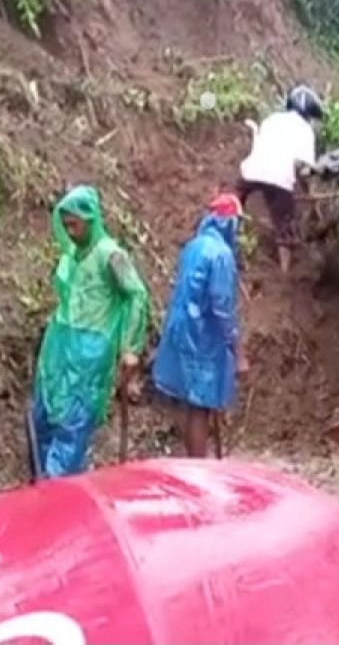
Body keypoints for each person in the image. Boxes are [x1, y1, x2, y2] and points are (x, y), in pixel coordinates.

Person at [31, 185, 149, 478]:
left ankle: (56, 495)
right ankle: (40, 488)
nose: (70, 231)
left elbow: (136, 294)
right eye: (66, 225)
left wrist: (130, 347)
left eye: (75, 224)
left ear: (91, 219)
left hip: (90, 352)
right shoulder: (72, 253)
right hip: (59, 346)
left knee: (74, 422)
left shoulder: (110, 255)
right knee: (42, 418)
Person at [153, 193, 248, 457]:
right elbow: (221, 305)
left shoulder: (192, 247)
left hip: (180, 329)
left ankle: (194, 460)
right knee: (201, 405)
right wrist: (237, 349)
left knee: (189, 400)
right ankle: (199, 467)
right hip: (202, 337)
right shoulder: (221, 255)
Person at [237, 85, 324, 274]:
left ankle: (232, 232)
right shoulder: (305, 130)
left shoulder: (271, 119)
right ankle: (284, 273)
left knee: (235, 203)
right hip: (280, 179)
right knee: (285, 226)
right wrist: (310, 195)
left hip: (251, 171)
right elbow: (304, 168)